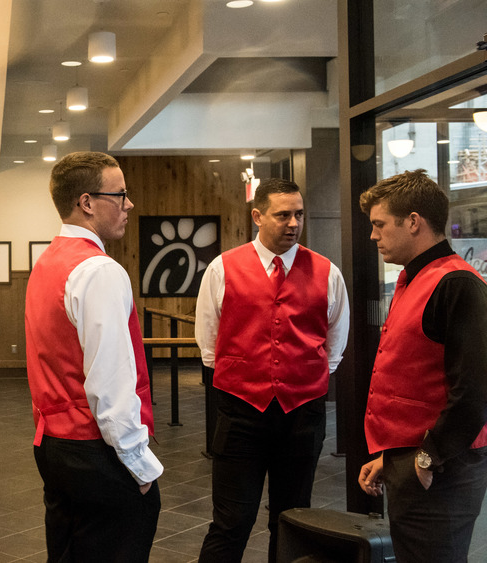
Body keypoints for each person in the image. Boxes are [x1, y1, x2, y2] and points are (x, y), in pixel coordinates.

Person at [195, 177, 349, 563]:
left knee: (294, 517)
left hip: (303, 413)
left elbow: (334, 345)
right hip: (240, 411)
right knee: (232, 520)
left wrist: (303, 379)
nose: (293, 223)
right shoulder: (222, 269)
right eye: (283, 215)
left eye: (299, 214)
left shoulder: (327, 272)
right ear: (257, 216)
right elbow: (210, 344)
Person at [25, 151, 162, 561]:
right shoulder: (98, 270)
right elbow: (110, 383)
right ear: (86, 202)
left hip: (53, 442)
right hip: (94, 450)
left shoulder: (49, 261)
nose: (129, 204)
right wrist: (139, 464)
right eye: (120, 194)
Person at [357, 169, 487, 563]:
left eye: (379, 225)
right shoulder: (413, 279)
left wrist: (427, 457)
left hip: (442, 467)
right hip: (414, 458)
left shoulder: (457, 284)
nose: (373, 235)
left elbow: (476, 390)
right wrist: (390, 455)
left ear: (413, 222)